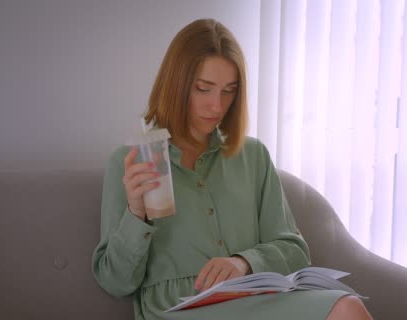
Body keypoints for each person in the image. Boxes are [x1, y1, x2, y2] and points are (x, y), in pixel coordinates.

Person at [92, 18, 372, 320]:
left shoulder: (253, 156)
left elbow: (295, 250)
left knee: (347, 307)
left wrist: (243, 262)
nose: (217, 106)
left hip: (255, 298)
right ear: (177, 85)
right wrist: (136, 214)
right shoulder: (131, 162)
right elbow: (115, 281)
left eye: (229, 91)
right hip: (178, 308)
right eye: (204, 89)